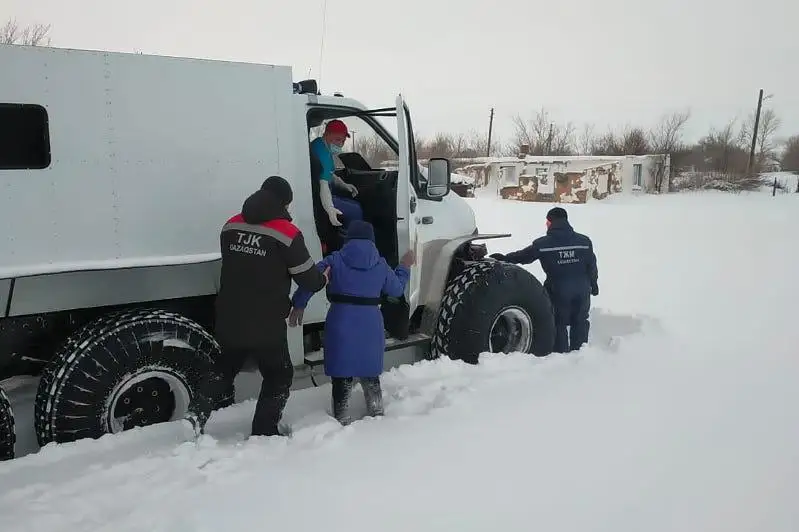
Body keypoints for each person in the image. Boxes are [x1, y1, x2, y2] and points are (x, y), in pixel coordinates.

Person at [184, 176, 329, 438]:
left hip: (229, 315)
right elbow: (309, 279)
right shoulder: (287, 234)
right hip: (266, 322)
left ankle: (194, 415)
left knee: (224, 368)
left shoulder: (231, 225)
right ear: (284, 203)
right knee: (278, 375)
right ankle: (264, 431)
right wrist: (323, 278)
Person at [287, 220, 415, 425]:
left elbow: (312, 281)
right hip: (370, 323)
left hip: (341, 320)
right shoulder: (381, 265)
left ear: (348, 240)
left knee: (341, 375)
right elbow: (397, 290)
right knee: (370, 373)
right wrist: (404, 267)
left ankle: (341, 419)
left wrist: (299, 303)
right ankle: (377, 414)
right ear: (372, 241)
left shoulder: (334, 260)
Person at [490, 207, 598, 353]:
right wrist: (594, 283)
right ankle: (580, 354)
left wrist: (504, 258)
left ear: (550, 222)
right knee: (580, 321)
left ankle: (560, 355)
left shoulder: (543, 244)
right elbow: (591, 265)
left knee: (558, 323)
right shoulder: (584, 241)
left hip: (558, 290)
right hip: (582, 289)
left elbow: (524, 256)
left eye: (547, 222)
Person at [310, 119, 362, 228]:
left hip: (318, 192)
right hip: (320, 196)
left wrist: (344, 185)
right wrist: (330, 208)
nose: (340, 144)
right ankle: (351, 236)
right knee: (356, 210)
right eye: (337, 139)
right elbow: (323, 184)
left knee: (354, 204)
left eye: (343, 141)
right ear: (326, 134)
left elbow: (328, 174)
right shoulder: (323, 155)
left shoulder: (319, 144)